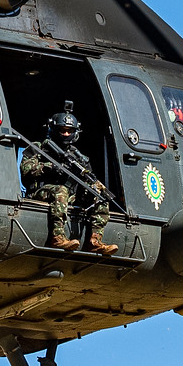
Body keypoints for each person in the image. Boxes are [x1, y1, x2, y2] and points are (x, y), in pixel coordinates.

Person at [20, 101, 116, 253]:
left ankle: (95, 240)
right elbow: (26, 171)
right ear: (53, 129)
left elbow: (88, 177)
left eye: (69, 131)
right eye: (62, 130)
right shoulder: (38, 147)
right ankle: (57, 238)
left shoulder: (78, 157)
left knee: (99, 196)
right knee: (61, 190)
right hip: (41, 193)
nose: (65, 134)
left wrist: (96, 186)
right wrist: (50, 168)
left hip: (67, 196)